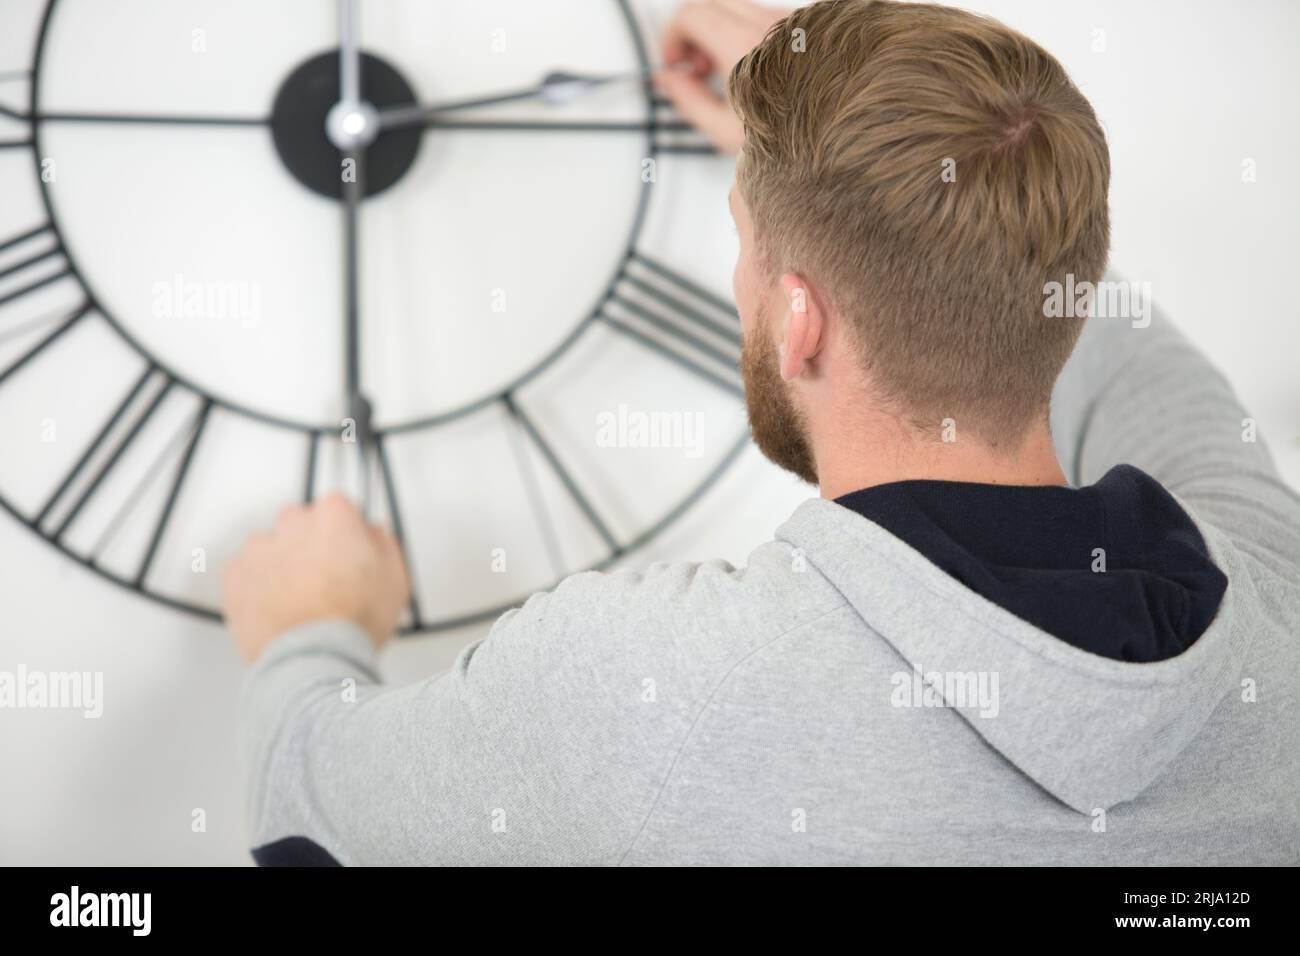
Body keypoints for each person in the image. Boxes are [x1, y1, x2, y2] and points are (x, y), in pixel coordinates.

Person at [223, 0, 1300, 865]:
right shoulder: (1269, 595)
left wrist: (310, 627)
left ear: (797, 320)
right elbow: (1092, 321)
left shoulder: (647, 694)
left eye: (743, 244)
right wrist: (870, 177)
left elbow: (306, 803)